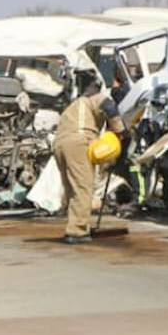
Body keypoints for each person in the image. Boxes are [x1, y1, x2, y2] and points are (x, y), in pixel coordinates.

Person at [53, 70, 127, 243]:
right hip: (79, 142)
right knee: (83, 187)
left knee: (72, 188)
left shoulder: (73, 105)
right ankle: (77, 232)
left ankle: (75, 225)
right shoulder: (96, 98)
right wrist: (122, 131)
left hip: (59, 145)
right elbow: (110, 108)